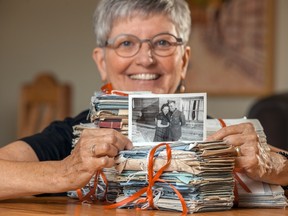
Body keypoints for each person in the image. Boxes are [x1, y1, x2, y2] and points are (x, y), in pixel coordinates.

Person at [0, 0, 287, 201]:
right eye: (126, 43)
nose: (145, 59)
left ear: (184, 59)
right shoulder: (72, 138)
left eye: (162, 42)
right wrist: (65, 171)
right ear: (102, 61)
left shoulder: (219, 135)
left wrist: (275, 165)